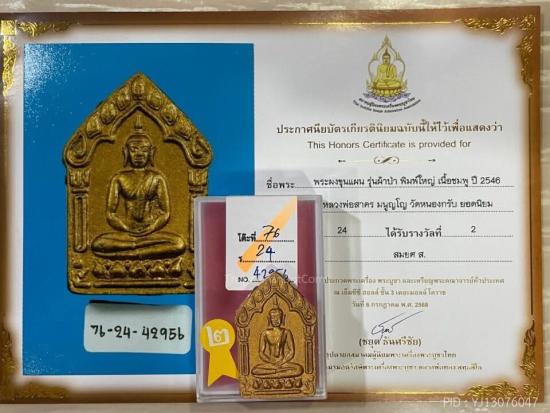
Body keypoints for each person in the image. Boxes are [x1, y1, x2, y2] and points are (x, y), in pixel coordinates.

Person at [91, 115, 185, 259]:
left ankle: (130, 252)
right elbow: (110, 214)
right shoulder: (119, 178)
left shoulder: (156, 178)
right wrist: (126, 228)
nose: (139, 154)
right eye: (134, 149)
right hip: (126, 233)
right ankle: (136, 249)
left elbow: (165, 212)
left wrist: (151, 228)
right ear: (126, 152)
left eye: (144, 150)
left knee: (179, 244)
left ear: (151, 152)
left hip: (151, 233)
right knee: (98, 243)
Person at [251, 298, 303, 378]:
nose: (276, 320)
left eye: (278, 317)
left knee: (299, 369)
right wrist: (271, 361)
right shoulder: (265, 333)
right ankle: (277, 372)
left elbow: (291, 351)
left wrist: (283, 361)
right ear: (269, 318)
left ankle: (271, 374)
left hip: (283, 363)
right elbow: (261, 353)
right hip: (271, 363)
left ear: (282, 318)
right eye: (273, 318)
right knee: (255, 370)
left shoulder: (286, 332)